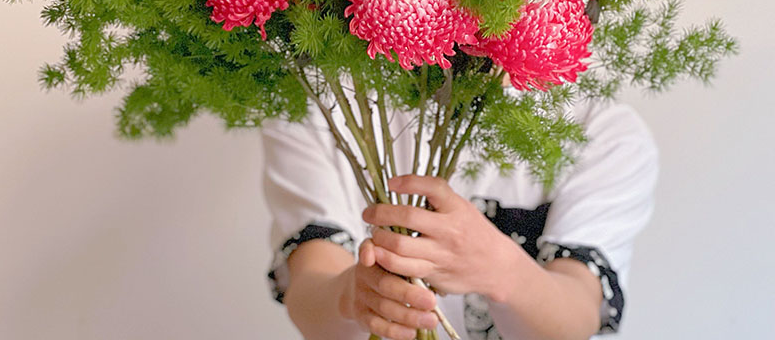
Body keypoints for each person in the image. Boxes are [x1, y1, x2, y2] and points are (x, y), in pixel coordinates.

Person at [261, 93, 658, 340]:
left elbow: (577, 315)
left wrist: (501, 270)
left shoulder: (603, 132)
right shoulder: (322, 101)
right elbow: (311, 293)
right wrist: (352, 297)